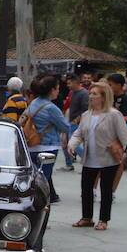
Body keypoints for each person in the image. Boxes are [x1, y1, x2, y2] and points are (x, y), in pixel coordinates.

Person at [67, 81, 127, 231]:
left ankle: (103, 220)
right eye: (90, 93)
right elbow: (79, 133)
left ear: (103, 97)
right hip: (90, 158)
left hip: (108, 159)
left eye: (94, 94)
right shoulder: (86, 115)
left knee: (106, 190)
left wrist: (124, 154)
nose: (91, 96)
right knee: (86, 189)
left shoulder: (114, 114)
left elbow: (126, 137)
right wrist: (72, 144)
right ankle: (87, 217)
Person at [27, 74, 73, 203]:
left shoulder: (33, 103)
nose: (58, 91)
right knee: (43, 179)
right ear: (52, 90)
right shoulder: (51, 108)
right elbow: (65, 127)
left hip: (32, 144)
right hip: (48, 146)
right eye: (57, 88)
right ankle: (40, 204)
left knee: (34, 176)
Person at [64, 72, 91, 169]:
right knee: (69, 143)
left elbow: (85, 109)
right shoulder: (73, 93)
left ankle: (87, 159)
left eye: (69, 83)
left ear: (76, 82)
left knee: (73, 144)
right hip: (71, 121)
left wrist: (77, 120)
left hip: (78, 123)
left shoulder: (84, 93)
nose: (68, 85)